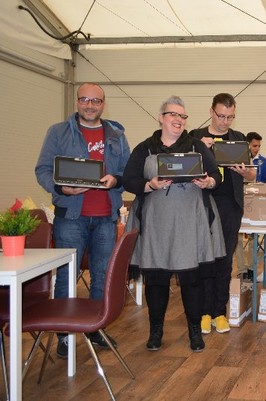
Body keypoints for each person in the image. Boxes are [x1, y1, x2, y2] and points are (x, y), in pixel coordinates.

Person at [35, 82, 131, 358]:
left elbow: (127, 171)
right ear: (77, 102)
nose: (90, 105)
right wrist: (60, 188)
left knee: (102, 275)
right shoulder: (58, 132)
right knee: (67, 275)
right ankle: (64, 334)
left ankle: (95, 328)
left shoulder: (116, 134)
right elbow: (42, 169)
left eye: (96, 101)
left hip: (105, 217)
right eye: (85, 100)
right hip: (71, 217)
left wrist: (116, 180)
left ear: (104, 104)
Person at [122, 96, 225, 352]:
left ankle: (194, 332)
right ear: (161, 117)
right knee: (156, 281)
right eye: (173, 115)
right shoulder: (145, 148)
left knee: (192, 281)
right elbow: (129, 179)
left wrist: (208, 183)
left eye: (182, 116)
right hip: (156, 226)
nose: (178, 120)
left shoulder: (198, 147)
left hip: (191, 223)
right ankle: (155, 332)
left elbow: (215, 175)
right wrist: (149, 185)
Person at [189, 93, 256, 335]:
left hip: (230, 204)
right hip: (202, 203)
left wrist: (243, 172)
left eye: (230, 117)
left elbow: (252, 175)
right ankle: (204, 312)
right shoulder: (194, 137)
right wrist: (200, 151)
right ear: (211, 112)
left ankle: (220, 311)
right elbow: (184, 170)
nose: (225, 122)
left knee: (225, 259)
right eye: (221, 116)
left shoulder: (238, 139)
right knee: (204, 258)